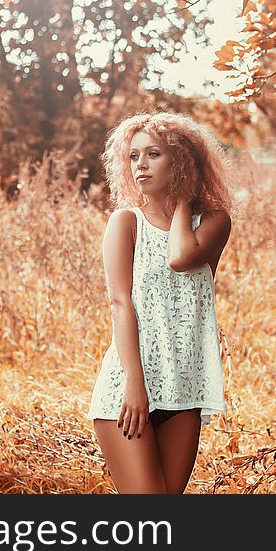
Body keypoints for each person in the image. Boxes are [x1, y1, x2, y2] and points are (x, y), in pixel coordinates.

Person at [86, 111, 234, 494]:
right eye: (133, 156)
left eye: (153, 154)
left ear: (182, 160)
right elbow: (120, 304)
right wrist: (135, 384)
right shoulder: (126, 223)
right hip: (129, 387)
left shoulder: (214, 222)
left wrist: (182, 199)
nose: (140, 166)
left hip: (184, 387)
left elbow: (180, 257)